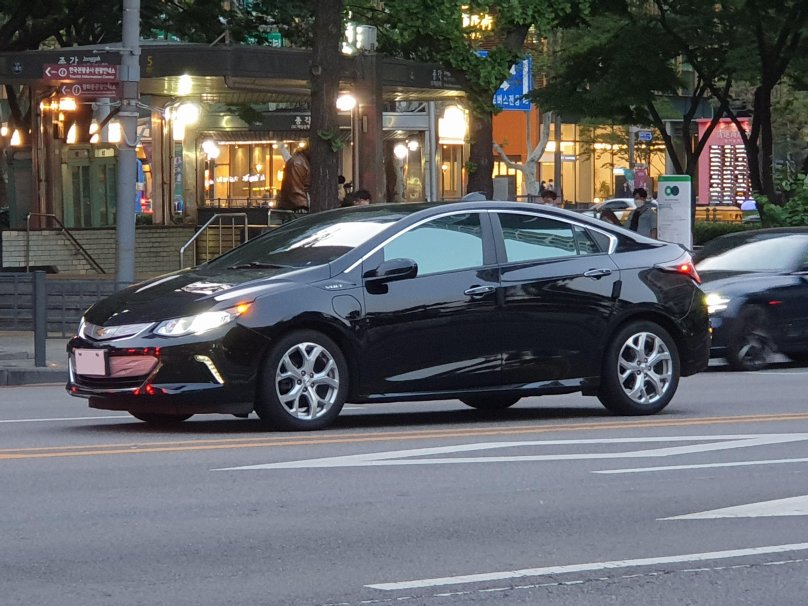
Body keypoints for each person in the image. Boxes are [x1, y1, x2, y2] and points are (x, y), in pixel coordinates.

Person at [278, 147, 310, 211]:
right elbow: (295, 189)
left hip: (298, 207)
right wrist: (302, 206)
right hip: (298, 209)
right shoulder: (298, 163)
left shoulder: (299, 162)